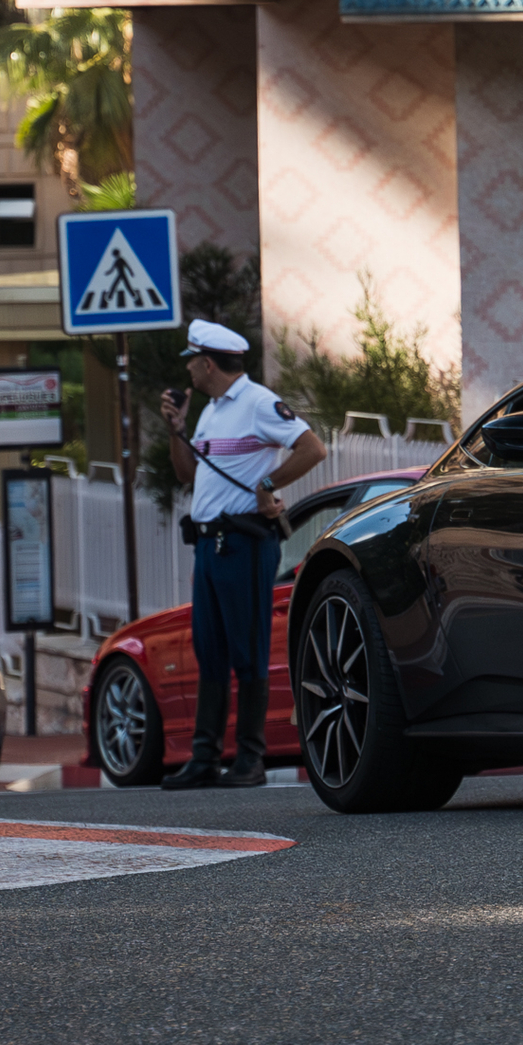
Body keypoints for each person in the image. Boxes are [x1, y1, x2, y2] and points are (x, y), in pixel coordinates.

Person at [157, 319, 327, 789]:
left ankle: (250, 759)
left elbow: (313, 448)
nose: (189, 369)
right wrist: (176, 430)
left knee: (247, 650)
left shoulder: (256, 403)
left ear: (207, 362)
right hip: (209, 546)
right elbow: (188, 475)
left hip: (244, 543)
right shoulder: (211, 410)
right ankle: (205, 757)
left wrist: (268, 484)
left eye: (192, 360)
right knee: (210, 651)